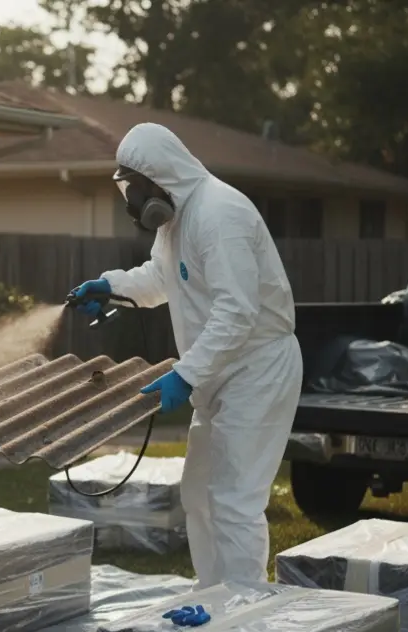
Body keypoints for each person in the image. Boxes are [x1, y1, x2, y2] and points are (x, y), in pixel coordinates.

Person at [69, 123, 303, 589]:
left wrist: (186, 374)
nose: (133, 200)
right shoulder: (176, 219)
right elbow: (162, 277)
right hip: (218, 372)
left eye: (137, 187)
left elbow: (237, 312)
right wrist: (112, 286)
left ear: (162, 177)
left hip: (257, 370)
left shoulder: (220, 214)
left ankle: (242, 608)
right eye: (128, 189)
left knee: (235, 500)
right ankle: (214, 596)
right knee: (199, 494)